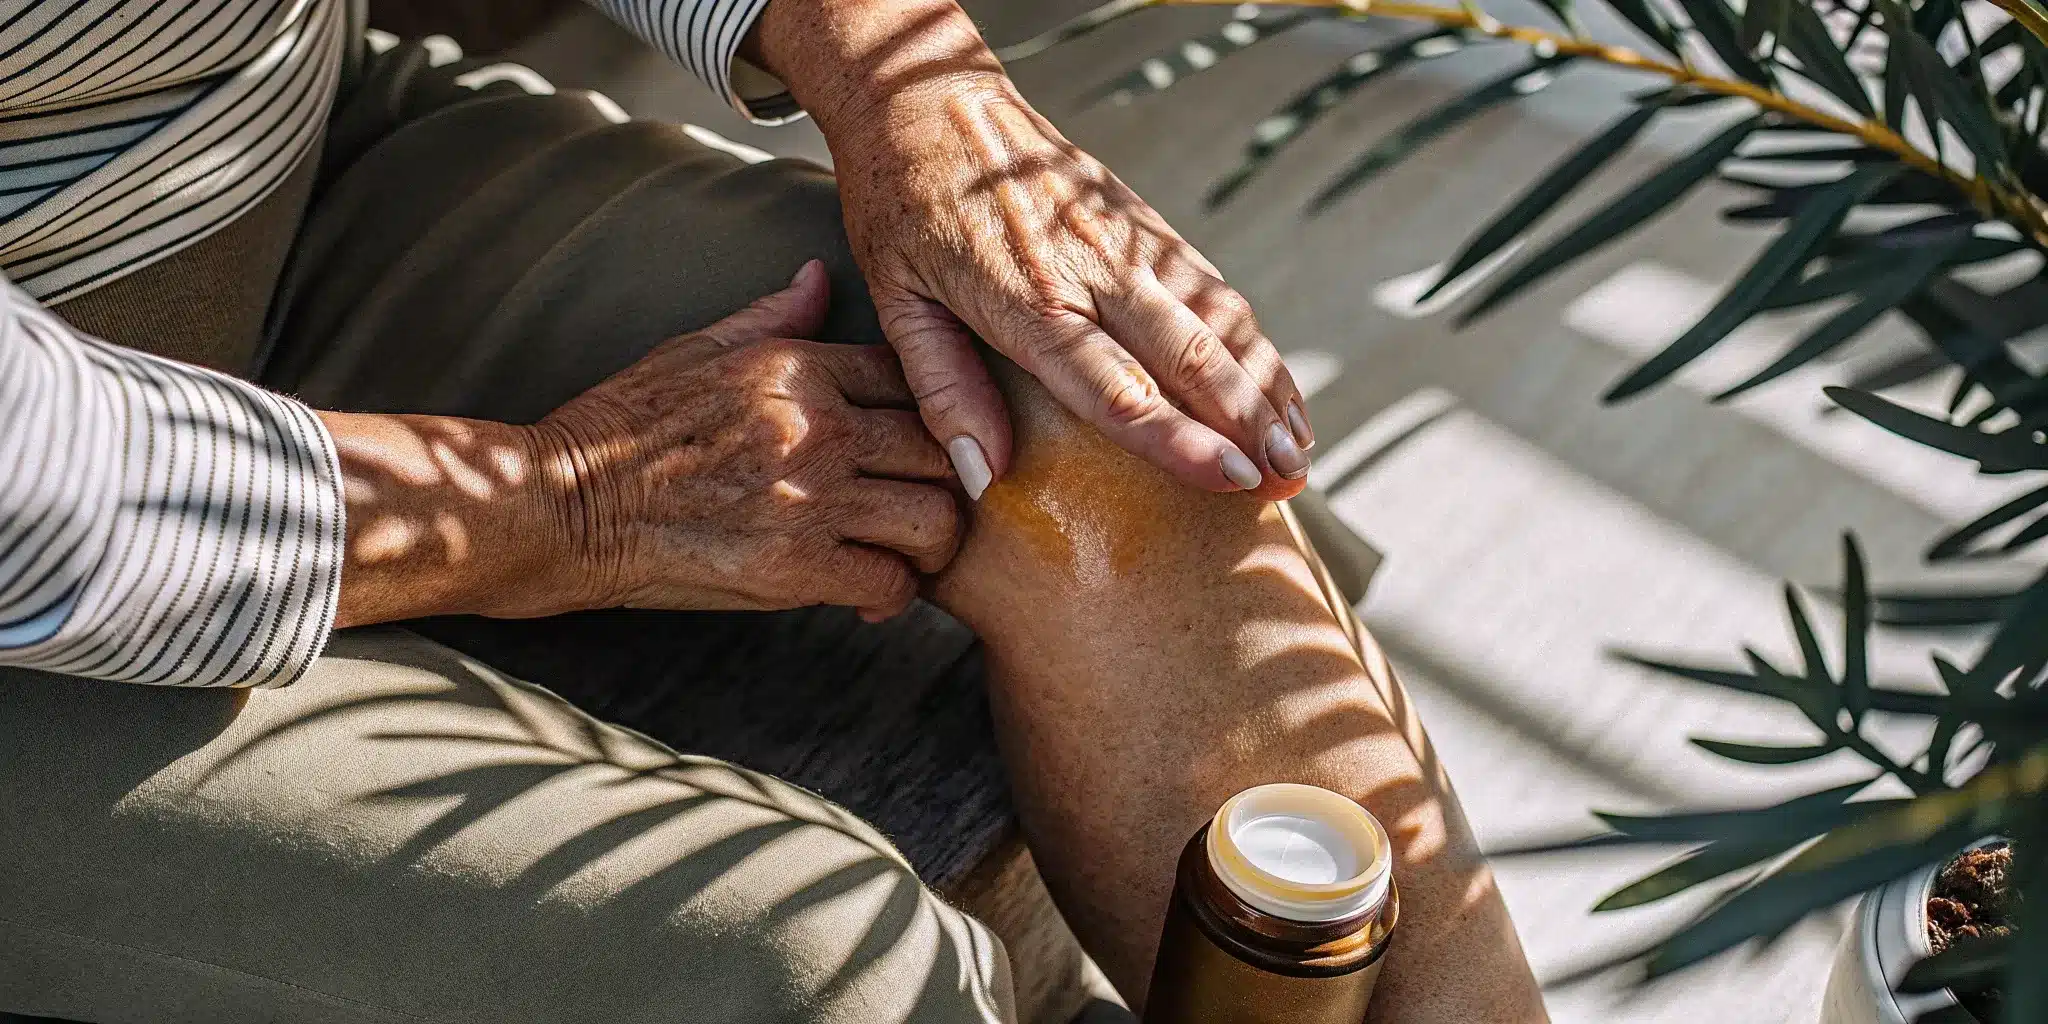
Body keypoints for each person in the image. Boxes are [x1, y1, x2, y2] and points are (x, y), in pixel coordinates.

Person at [0, 1, 1549, 1021]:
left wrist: (899, 77)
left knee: (1104, 429)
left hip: (241, 170)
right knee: (810, 972)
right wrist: (573, 507)